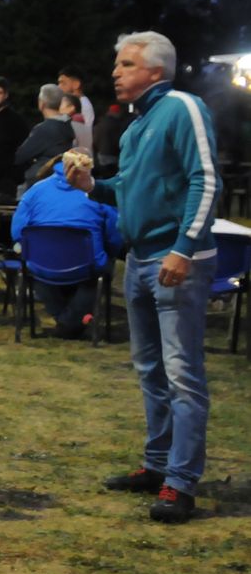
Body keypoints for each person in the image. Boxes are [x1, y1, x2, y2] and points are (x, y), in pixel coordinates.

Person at [66, 31, 219, 524]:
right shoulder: (137, 126)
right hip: (140, 260)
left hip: (175, 262)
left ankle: (181, 482)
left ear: (156, 70)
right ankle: (158, 466)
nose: (116, 72)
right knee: (151, 371)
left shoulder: (182, 107)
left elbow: (206, 178)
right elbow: (128, 188)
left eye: (127, 64)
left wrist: (184, 248)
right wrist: (91, 185)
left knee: (182, 375)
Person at [12, 155, 123, 339]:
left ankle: (66, 322)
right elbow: (114, 235)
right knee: (100, 270)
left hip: (41, 265)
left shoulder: (35, 191)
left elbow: (18, 233)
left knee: (38, 270)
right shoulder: (99, 193)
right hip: (88, 265)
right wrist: (109, 252)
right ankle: (70, 323)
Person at [14, 83, 77, 188]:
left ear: (42, 103)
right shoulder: (67, 125)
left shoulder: (45, 129)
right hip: (59, 179)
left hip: (40, 182)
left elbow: (20, 156)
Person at [58, 65, 95, 151]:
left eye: (63, 83)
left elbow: (85, 133)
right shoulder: (81, 103)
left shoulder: (84, 105)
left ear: (76, 84)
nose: (59, 87)